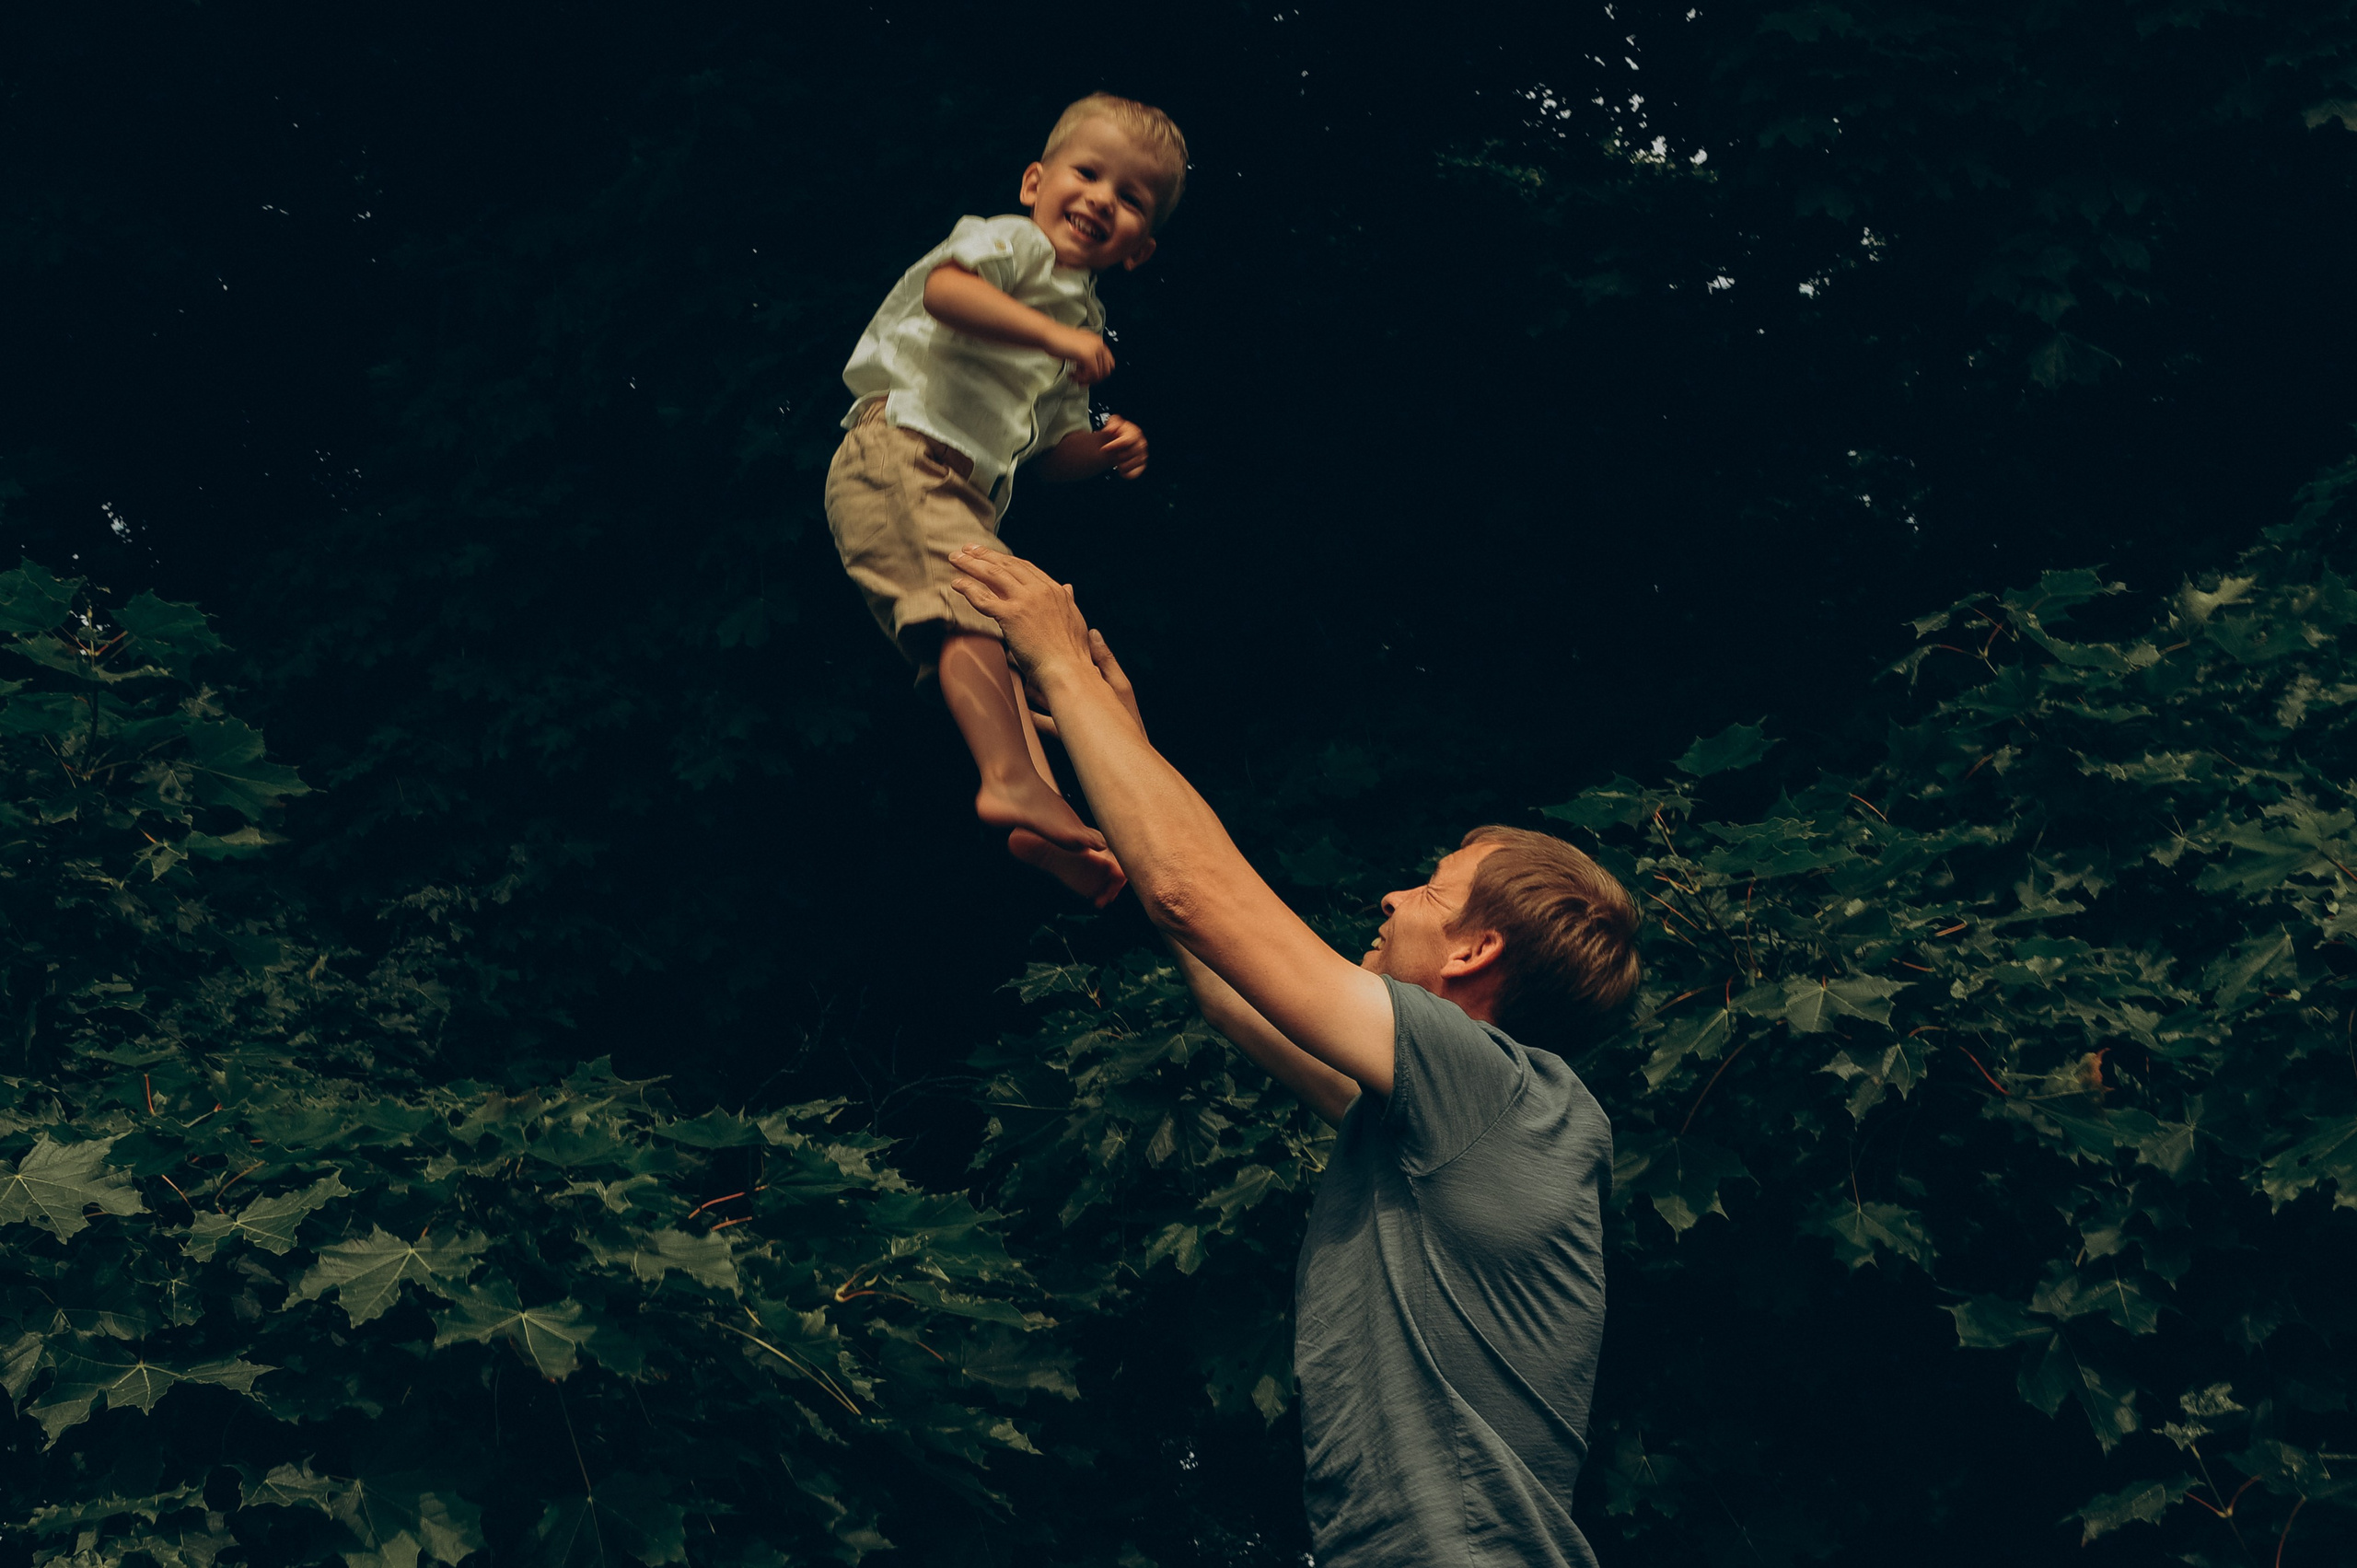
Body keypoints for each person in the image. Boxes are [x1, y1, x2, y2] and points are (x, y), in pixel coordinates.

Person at [948, 544, 1643, 1567]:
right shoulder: (1437, 1121)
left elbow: (1202, 894)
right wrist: (1121, 752)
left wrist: (1055, 656)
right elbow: (1231, 985)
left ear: (1475, 950)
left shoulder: (1495, 1084)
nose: (1393, 898)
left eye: (1430, 889)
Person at [823, 93, 1187, 908]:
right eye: (1087, 174)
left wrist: (1105, 449)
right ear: (1035, 181)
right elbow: (948, 294)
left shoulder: (1084, 313)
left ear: (1141, 247)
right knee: (969, 614)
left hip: (964, 491)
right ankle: (1009, 777)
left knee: (1015, 634)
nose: (1101, 199)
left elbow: (1050, 453)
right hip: (901, 448)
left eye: (1130, 198)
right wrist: (1054, 339)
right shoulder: (1011, 243)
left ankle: (1042, 815)